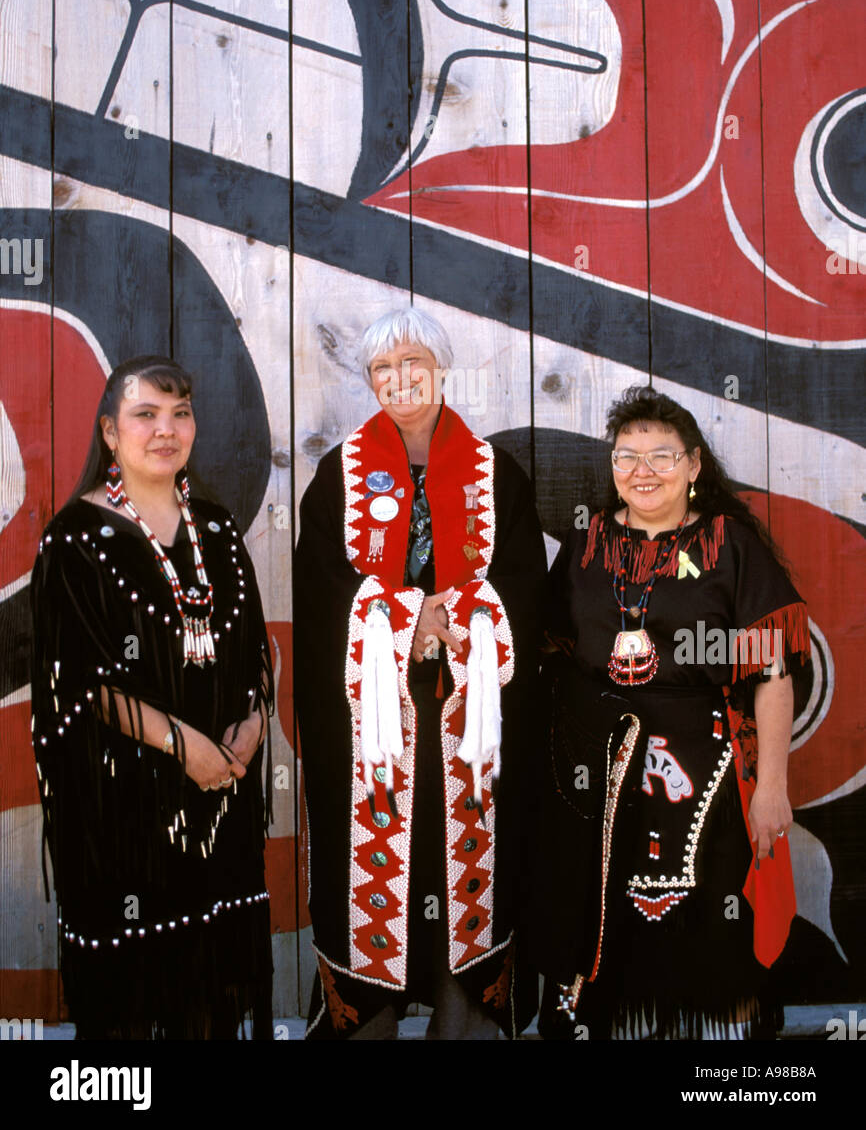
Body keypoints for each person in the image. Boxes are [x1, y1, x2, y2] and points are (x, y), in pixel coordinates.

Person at [294, 307, 546, 1039]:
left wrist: (459, 617)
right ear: (369, 379)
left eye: (415, 365)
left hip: (470, 722)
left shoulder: (496, 475)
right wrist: (408, 620)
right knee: (375, 871)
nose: (400, 381)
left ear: (441, 370)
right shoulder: (336, 475)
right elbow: (320, 593)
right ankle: (365, 1018)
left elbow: (525, 586)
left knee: (459, 869)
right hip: (374, 728)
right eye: (383, 369)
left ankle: (462, 1016)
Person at [534, 385, 810, 1040]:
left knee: (717, 942)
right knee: (609, 943)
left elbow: (772, 674)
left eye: (662, 455)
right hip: (598, 780)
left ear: (694, 466)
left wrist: (773, 786)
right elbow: (546, 659)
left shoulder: (728, 546)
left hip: (709, 773)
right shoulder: (587, 545)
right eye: (627, 456)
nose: (643, 471)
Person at [30, 356, 273, 1039]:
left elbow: (251, 649)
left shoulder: (217, 529)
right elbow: (76, 683)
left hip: (220, 800)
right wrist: (181, 745)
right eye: (145, 415)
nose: (166, 430)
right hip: (123, 808)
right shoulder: (76, 538)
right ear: (110, 433)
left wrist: (253, 724)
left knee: (210, 999)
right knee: (131, 1007)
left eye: (180, 412)